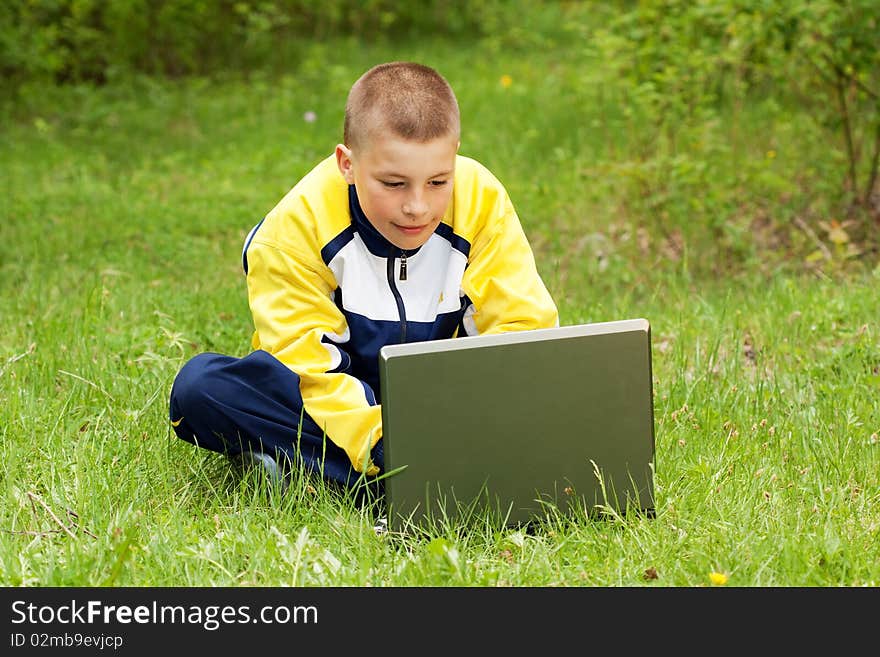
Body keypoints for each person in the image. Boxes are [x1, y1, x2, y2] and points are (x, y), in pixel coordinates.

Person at [168, 61, 558, 497]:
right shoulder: (293, 230)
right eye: (393, 183)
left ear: (455, 157)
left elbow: (524, 333)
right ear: (347, 164)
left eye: (437, 181)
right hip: (334, 398)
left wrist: (487, 415)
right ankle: (423, 478)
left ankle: (309, 471)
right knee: (200, 389)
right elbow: (310, 370)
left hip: (445, 399)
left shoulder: (481, 197)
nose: (418, 207)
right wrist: (385, 447)